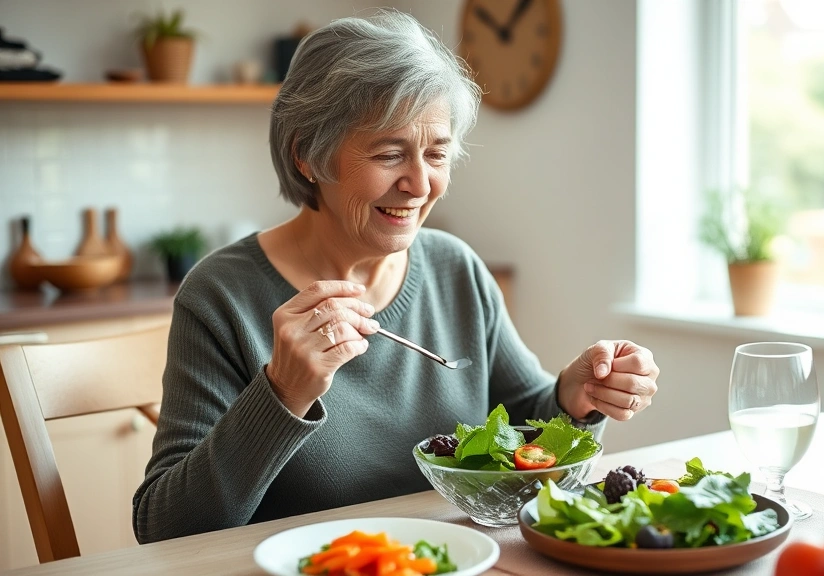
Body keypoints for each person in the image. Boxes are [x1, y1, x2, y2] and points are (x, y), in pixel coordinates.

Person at [132, 10, 660, 544]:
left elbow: (528, 427)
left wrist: (577, 396)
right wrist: (283, 393)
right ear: (307, 156)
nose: (419, 184)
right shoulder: (221, 297)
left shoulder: (456, 269)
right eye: (389, 154)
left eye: (437, 154)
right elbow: (163, 529)